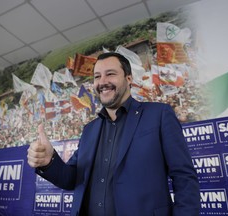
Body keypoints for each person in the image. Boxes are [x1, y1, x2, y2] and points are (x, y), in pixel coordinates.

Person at [27, 52, 200, 216]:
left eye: (110, 74)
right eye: (97, 76)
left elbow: (184, 178)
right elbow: (72, 179)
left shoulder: (159, 114)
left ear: (129, 79)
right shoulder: (89, 130)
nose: (102, 82)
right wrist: (49, 162)